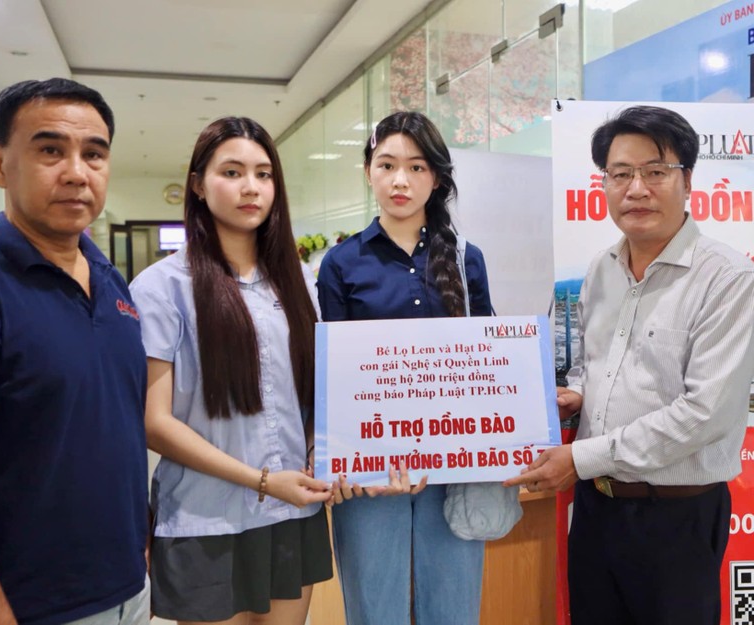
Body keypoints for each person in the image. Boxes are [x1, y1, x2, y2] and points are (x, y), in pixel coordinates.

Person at [505, 105, 754, 625]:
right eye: (620, 174)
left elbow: (706, 412)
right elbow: (594, 364)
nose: (636, 189)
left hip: (677, 517)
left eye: (655, 171)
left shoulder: (727, 278)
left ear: (688, 180)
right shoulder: (600, 269)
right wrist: (578, 393)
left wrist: (581, 458)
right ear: (605, 183)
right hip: (596, 509)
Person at [0, 78, 149, 624]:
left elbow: (113, 425)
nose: (76, 172)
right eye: (50, 150)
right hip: (30, 606)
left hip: (129, 591)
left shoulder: (112, 282)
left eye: (94, 154)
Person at [129, 116, 333, 625]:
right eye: (232, 172)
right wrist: (263, 481)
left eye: (264, 174)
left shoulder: (299, 282)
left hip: (292, 511)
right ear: (198, 185)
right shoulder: (161, 288)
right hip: (205, 519)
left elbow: (312, 392)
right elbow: (155, 422)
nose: (251, 187)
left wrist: (316, 449)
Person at [316, 111, 493, 625]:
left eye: (416, 167)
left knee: (454, 609)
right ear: (368, 172)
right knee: (375, 610)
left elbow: (487, 361)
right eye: (387, 165)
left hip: (452, 466)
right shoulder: (340, 263)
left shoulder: (466, 258)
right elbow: (335, 374)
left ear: (435, 178)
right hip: (371, 473)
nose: (400, 180)